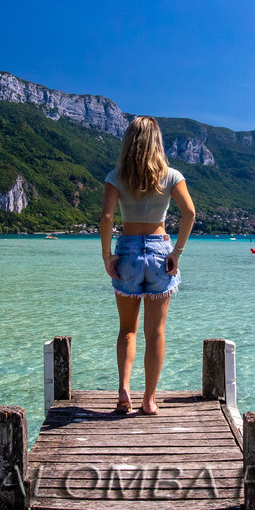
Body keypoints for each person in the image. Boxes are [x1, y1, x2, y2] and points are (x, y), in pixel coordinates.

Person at [100, 116, 196, 415]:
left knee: (127, 330)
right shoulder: (171, 175)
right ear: (158, 141)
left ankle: (124, 390)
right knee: (155, 332)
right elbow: (189, 212)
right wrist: (177, 252)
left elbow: (106, 218)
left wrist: (107, 256)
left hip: (127, 251)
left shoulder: (116, 176)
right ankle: (149, 399)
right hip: (159, 252)